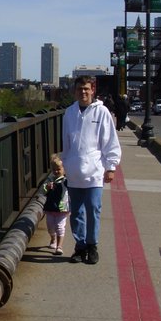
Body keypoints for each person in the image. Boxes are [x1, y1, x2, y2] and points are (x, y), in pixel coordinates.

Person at [61, 76, 122, 264]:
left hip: (94, 171)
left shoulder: (101, 112)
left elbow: (110, 141)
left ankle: (92, 245)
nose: (83, 92)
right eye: (80, 89)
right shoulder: (69, 113)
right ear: (75, 91)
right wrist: (64, 164)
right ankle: (79, 247)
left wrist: (111, 167)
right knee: (76, 212)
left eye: (87, 89)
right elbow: (66, 143)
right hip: (74, 171)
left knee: (93, 210)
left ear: (92, 90)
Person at [43, 155, 70, 256]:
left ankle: (59, 246)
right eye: (54, 169)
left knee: (60, 227)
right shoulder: (49, 179)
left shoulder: (66, 180)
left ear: (64, 169)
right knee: (50, 227)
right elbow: (43, 191)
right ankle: (52, 238)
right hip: (50, 207)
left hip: (62, 208)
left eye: (59, 169)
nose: (56, 171)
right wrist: (47, 187)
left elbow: (70, 189)